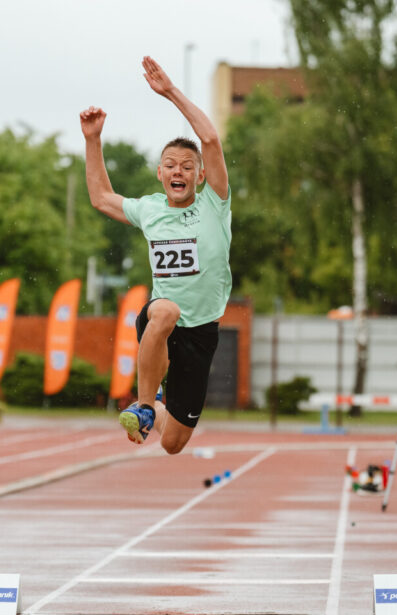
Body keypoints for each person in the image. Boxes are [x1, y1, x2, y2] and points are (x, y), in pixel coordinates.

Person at [80, 56, 231, 454]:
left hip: (202, 333)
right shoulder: (150, 209)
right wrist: (93, 140)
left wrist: (170, 93)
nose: (178, 170)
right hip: (161, 322)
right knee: (165, 310)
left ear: (199, 176)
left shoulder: (214, 204)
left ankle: (158, 410)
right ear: (160, 174)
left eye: (186, 165)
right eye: (170, 165)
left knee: (174, 444)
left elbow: (211, 141)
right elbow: (100, 197)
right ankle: (145, 405)